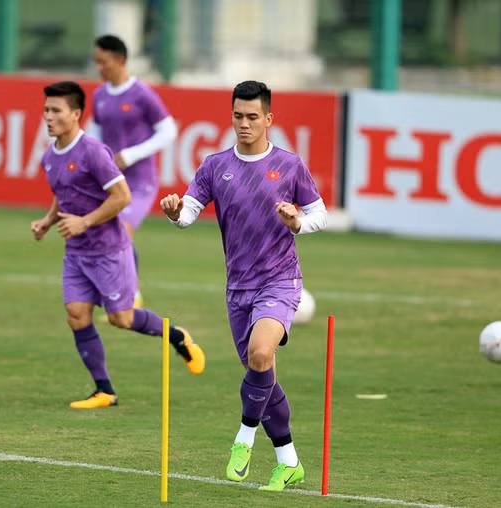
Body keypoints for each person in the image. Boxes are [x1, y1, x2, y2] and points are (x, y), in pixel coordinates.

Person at [160, 80, 328, 491]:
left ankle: (243, 439)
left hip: (280, 281)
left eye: (253, 117)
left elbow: (319, 213)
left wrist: (298, 223)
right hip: (238, 290)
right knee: (262, 373)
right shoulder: (216, 166)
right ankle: (289, 462)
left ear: (269, 119)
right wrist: (174, 212)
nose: (244, 124)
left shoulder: (289, 165)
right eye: (238, 116)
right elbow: (188, 213)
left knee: (260, 352)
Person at [31, 81, 204, 409]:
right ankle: (104, 390)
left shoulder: (94, 152)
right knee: (76, 315)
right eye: (46, 110)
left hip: (109, 250)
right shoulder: (50, 157)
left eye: (56, 110)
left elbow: (122, 196)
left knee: (121, 319)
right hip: (77, 254)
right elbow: (63, 192)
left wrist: (84, 222)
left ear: (76, 114)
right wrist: (47, 221)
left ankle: (177, 336)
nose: (48, 117)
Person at [91, 34, 178, 308]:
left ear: (120, 61)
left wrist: (131, 154)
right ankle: (128, 291)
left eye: (103, 62)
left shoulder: (141, 94)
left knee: (122, 231)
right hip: (112, 182)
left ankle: (129, 297)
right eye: (97, 62)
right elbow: (94, 136)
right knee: (110, 234)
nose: (99, 68)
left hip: (140, 183)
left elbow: (169, 131)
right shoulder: (99, 95)